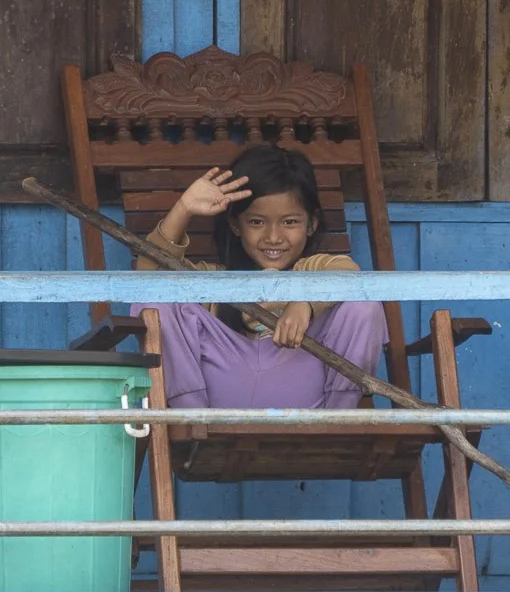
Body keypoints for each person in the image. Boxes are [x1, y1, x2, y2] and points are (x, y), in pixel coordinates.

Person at [135, 142, 386, 411]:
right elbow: (148, 282)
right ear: (235, 224)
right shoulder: (212, 282)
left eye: (290, 222)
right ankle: (191, 423)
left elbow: (349, 274)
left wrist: (306, 304)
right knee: (157, 305)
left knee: (362, 306)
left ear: (311, 224)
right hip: (208, 414)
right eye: (256, 222)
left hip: (315, 408)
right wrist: (183, 209)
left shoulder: (314, 269)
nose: (273, 237)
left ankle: (340, 421)